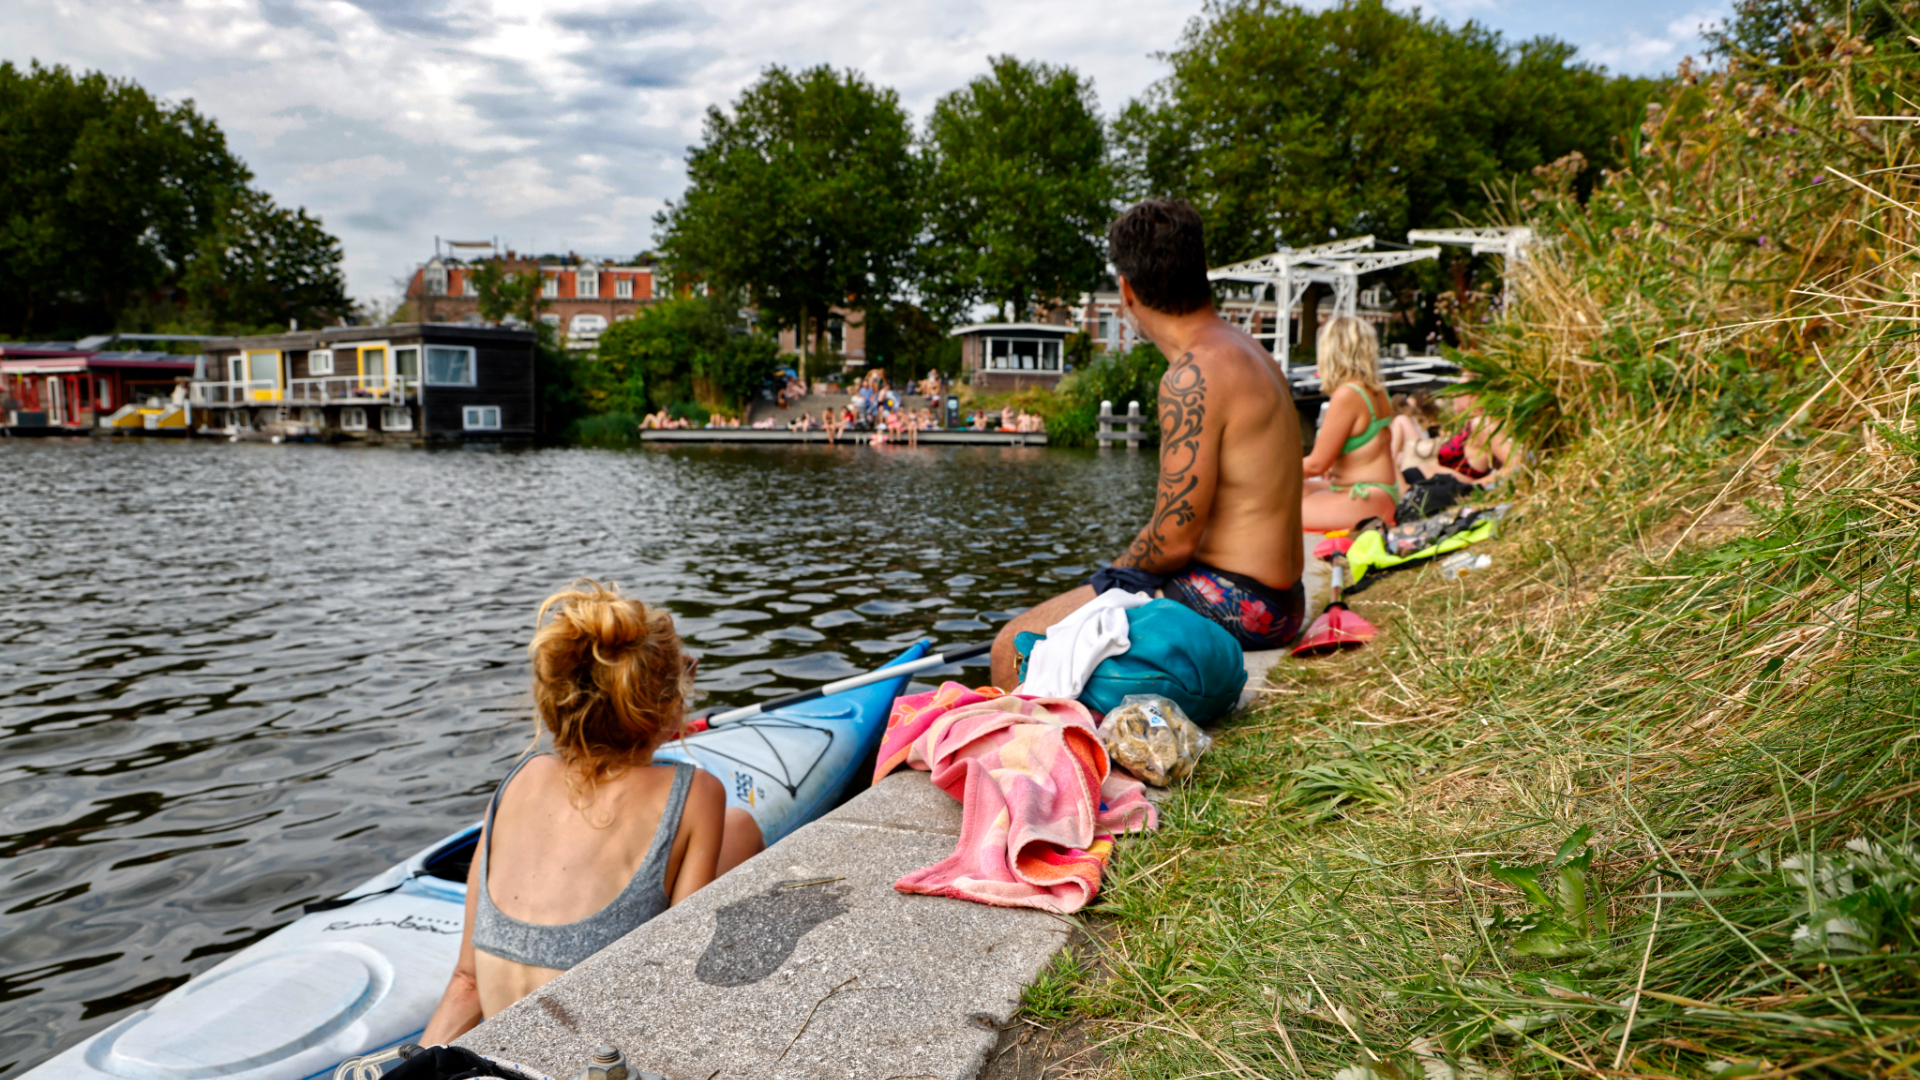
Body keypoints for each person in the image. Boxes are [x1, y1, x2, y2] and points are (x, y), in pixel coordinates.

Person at [421, 581, 763, 1043]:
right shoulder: (696, 790)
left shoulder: (518, 781)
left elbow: (467, 981)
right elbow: (679, 973)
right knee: (742, 828)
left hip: (501, 1052)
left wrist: (419, 1065)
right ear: (663, 707)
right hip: (600, 1062)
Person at [991, 198, 1305, 682]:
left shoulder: (1193, 374)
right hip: (1284, 600)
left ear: (1126, 290)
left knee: (1013, 646)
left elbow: (1171, 542)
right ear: (1202, 270)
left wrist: (1108, 578)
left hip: (1239, 602)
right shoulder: (1251, 350)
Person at [1300, 317, 1399, 531]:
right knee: (1290, 489)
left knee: (1274, 507)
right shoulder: (1377, 391)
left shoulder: (1347, 394)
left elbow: (1316, 465)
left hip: (1364, 498)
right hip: (1379, 493)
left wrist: (1267, 471)